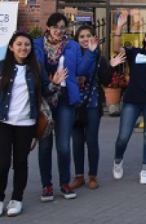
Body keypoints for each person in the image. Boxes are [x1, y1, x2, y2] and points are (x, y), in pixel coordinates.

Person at [0, 32, 66, 217]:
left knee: (20, 163)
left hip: (26, 122)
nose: (23, 48)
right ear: (12, 46)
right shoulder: (2, 67)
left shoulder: (36, 67)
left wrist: (56, 84)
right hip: (4, 121)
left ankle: (16, 199)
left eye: (27, 45)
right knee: (2, 163)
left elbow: (46, 90)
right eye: (19, 44)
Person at [35, 13, 97, 202]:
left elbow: (81, 70)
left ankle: (64, 183)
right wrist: (50, 81)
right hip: (45, 100)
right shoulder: (37, 44)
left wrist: (92, 52)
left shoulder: (73, 46)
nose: (59, 31)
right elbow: (36, 68)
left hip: (64, 100)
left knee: (63, 146)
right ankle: (46, 186)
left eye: (62, 27)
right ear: (48, 26)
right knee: (45, 146)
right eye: (55, 27)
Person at [111, 16, 146, 185]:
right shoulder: (135, 52)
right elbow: (115, 49)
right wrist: (119, 27)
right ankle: (118, 160)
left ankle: (145, 169)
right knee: (123, 136)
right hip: (131, 101)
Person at [70, 25, 122, 191]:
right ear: (77, 40)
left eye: (88, 36)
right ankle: (79, 176)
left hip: (92, 105)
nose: (85, 39)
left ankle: (93, 175)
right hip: (75, 105)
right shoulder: (72, 57)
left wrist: (111, 66)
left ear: (94, 38)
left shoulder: (100, 59)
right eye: (81, 36)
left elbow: (106, 81)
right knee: (77, 142)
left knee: (91, 141)